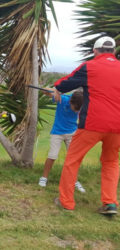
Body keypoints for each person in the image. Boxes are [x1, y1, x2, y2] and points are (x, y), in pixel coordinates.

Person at [53, 36, 120, 214]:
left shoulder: (90, 66)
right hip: (117, 127)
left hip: (92, 123)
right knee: (111, 162)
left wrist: (56, 88)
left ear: (95, 51)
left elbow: (65, 83)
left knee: (73, 160)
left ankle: (66, 201)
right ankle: (110, 203)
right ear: (113, 51)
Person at [38, 89, 85, 193]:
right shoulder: (62, 99)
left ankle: (74, 180)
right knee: (52, 155)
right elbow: (44, 91)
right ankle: (44, 178)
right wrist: (55, 92)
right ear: (71, 102)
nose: (77, 111)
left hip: (72, 132)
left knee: (73, 158)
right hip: (57, 132)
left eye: (79, 109)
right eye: (76, 108)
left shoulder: (82, 102)